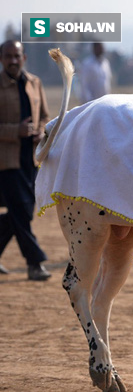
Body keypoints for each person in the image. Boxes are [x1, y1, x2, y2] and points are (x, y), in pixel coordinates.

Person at [0, 40, 51, 281]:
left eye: (16, 56)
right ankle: (35, 263)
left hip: (30, 159)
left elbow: (45, 116)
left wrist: (40, 131)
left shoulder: (34, 83)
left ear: (24, 58)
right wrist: (14, 131)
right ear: (1, 59)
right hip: (5, 161)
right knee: (21, 210)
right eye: (8, 56)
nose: (13, 60)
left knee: (24, 211)